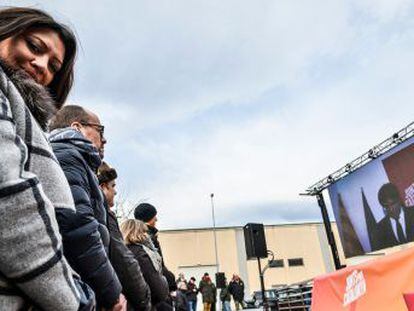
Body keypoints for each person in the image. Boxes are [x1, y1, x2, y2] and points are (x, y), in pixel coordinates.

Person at [0, 7, 89, 310]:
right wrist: (73, 299)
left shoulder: (25, 117)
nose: (40, 66)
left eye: (54, 65)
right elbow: (11, 201)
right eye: (34, 47)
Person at [49, 105, 123, 310]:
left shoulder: (76, 160)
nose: (104, 139)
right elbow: (79, 228)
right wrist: (112, 292)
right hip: (78, 290)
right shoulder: (67, 155)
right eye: (100, 130)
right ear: (77, 128)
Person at [98, 162, 151, 310]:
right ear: (102, 187)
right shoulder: (106, 216)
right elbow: (124, 262)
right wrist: (144, 299)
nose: (115, 192)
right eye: (113, 186)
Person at [120, 219, 170, 310]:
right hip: (142, 305)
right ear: (140, 232)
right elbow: (158, 289)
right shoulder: (141, 253)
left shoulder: (118, 252)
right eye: (145, 231)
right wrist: (164, 280)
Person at [134, 203, 177, 293]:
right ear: (149, 218)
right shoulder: (148, 238)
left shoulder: (135, 237)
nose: (156, 219)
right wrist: (171, 280)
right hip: (156, 291)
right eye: (154, 217)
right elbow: (157, 267)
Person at [376, 183, 414, 249]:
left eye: (393, 204)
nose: (391, 209)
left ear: (399, 200)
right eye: (386, 206)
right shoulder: (379, 229)